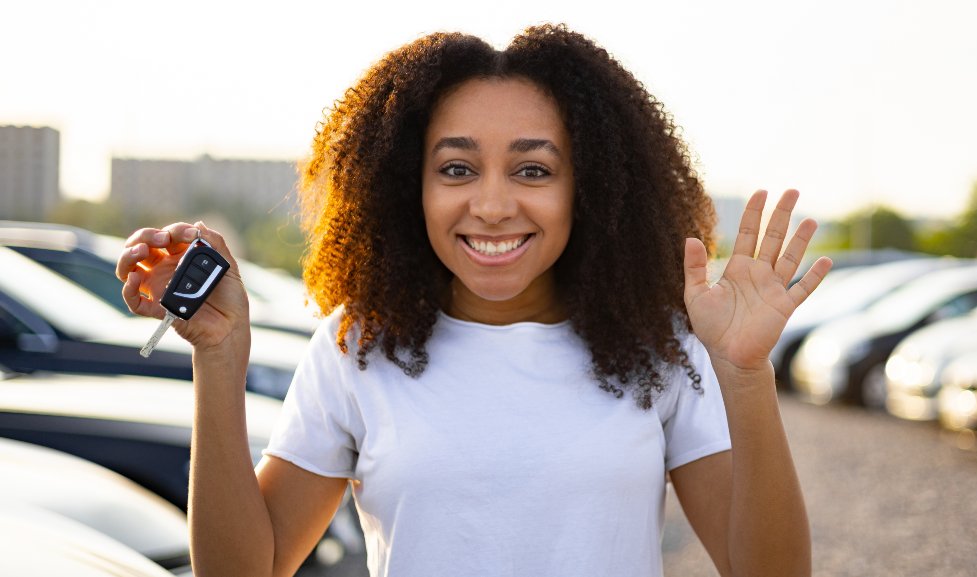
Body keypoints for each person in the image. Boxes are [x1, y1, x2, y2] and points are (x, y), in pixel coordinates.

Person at [116, 23, 830, 577]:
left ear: (591, 187)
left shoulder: (657, 345)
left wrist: (742, 374)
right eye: (456, 167)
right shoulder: (356, 344)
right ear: (407, 186)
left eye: (532, 168)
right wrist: (217, 357)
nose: (490, 204)